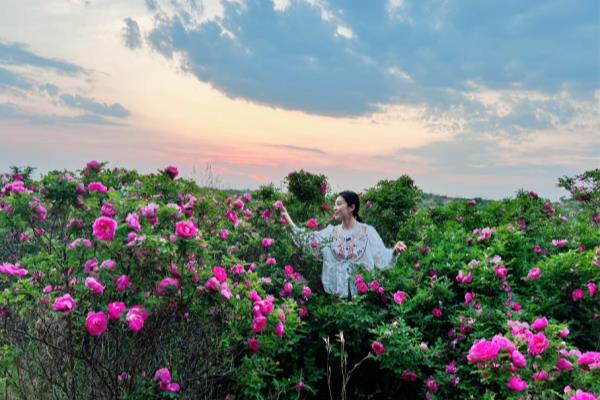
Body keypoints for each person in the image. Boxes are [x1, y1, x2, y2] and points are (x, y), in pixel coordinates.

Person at [280, 191, 407, 299]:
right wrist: (288, 219)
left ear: (351, 207)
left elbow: (382, 256)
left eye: (339, 204)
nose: (335, 207)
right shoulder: (331, 232)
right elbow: (308, 239)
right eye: (334, 204)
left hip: (362, 300)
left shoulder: (367, 231)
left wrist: (394, 252)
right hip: (336, 301)